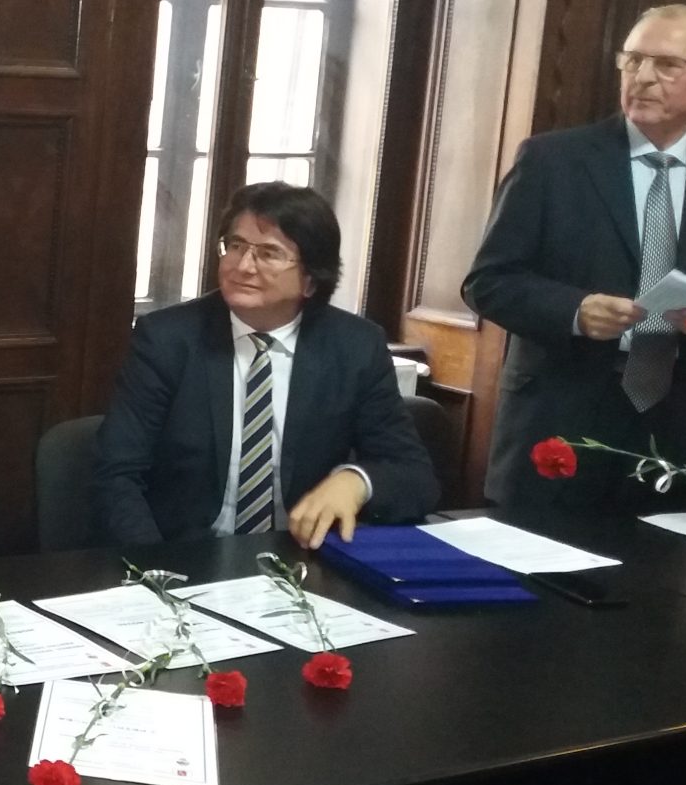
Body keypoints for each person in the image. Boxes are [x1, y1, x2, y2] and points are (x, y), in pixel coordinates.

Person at [464, 4, 686, 510]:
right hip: (560, 421)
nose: (642, 77)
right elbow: (488, 282)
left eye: (667, 65)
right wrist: (576, 311)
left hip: (676, 430)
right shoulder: (552, 161)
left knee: (664, 562)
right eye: (632, 60)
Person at [92, 182, 438, 549]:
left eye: (269, 253)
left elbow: (415, 476)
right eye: (236, 246)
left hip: (299, 558)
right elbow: (115, 475)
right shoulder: (168, 339)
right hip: (184, 556)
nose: (243, 266)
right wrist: (155, 568)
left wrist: (356, 481)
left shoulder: (355, 347)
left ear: (311, 280)